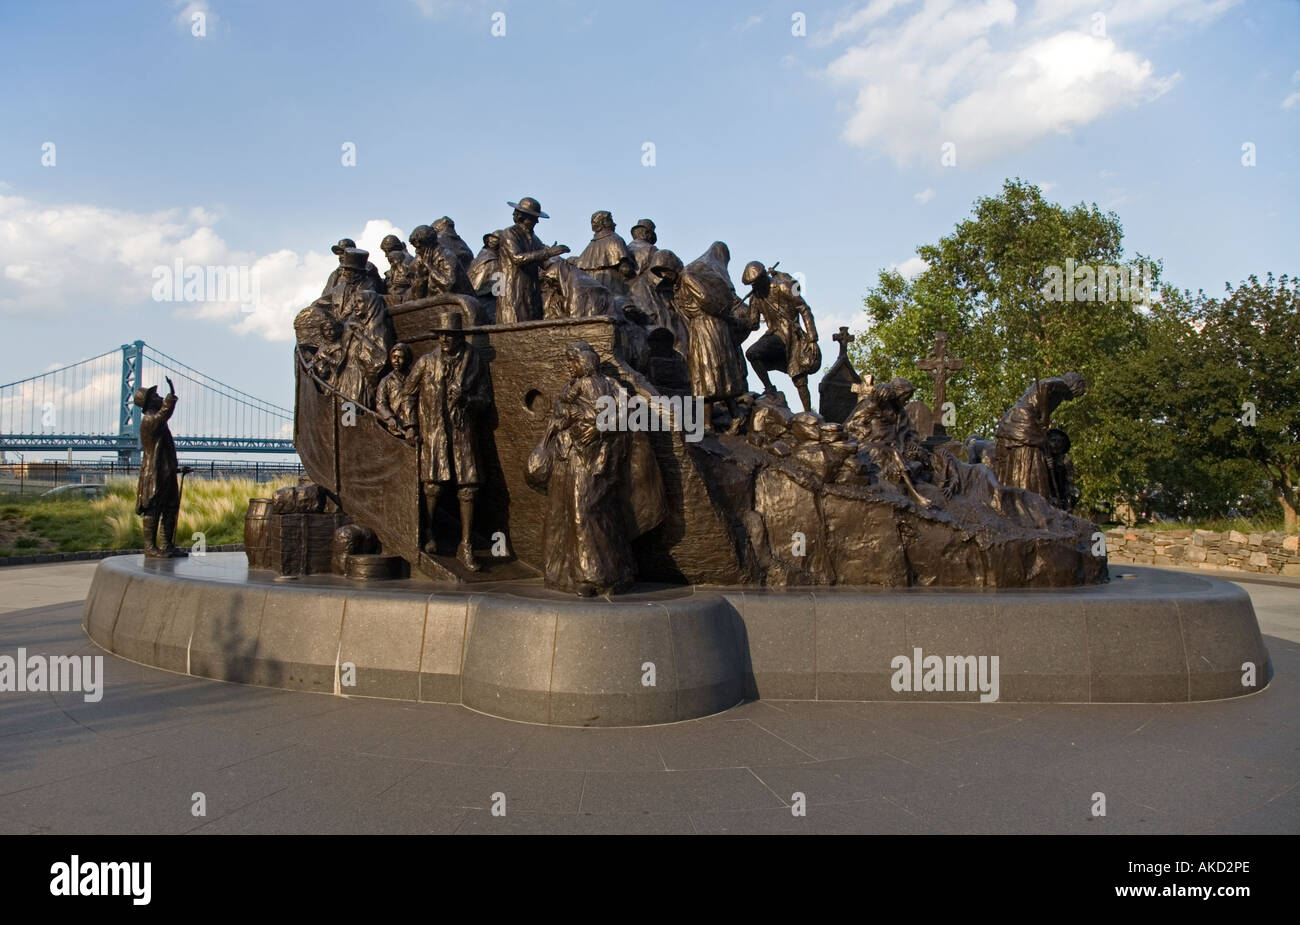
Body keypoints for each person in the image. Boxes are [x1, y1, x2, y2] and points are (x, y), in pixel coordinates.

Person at [527, 342, 637, 596]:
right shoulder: (570, 387)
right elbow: (560, 414)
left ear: (585, 362)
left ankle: (597, 576)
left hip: (594, 459)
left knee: (585, 510)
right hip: (566, 457)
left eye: (573, 362)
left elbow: (629, 414)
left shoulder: (611, 386)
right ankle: (564, 572)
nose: (570, 366)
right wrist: (562, 421)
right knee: (561, 513)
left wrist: (599, 427)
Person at [403, 313, 491, 571]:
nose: (444, 338)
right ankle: (428, 532)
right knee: (432, 485)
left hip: (463, 432)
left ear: (459, 337)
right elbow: (408, 394)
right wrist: (411, 425)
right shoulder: (426, 362)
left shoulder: (474, 361)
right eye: (440, 334)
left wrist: (467, 400)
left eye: (449, 335)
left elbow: (485, 398)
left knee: (469, 487)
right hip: (435, 432)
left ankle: (466, 546)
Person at [674, 242, 748, 430]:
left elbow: (706, 299)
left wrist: (723, 316)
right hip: (706, 327)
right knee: (711, 374)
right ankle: (730, 416)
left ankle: (710, 423)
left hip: (707, 327)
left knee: (706, 373)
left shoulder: (688, 276)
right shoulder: (686, 278)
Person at [743, 261, 821, 412]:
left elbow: (804, 309)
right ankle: (769, 388)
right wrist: (734, 319)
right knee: (752, 353)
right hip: (774, 336)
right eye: (751, 284)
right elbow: (753, 323)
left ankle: (808, 412)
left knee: (799, 378)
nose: (754, 287)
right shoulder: (756, 297)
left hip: (791, 336)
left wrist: (812, 338)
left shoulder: (784, 286)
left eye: (756, 283)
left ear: (764, 276)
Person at [994, 373, 1087, 499]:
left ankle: (1022, 493)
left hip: (1015, 420)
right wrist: (1045, 416)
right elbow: (1045, 386)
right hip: (1023, 421)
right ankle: (1029, 495)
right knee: (1032, 457)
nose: (1070, 399)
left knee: (1029, 457)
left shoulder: (1056, 390)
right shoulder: (1060, 384)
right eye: (1074, 395)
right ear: (1074, 387)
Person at [322, 248, 395, 408]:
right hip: (345, 377)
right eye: (343, 269)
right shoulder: (339, 292)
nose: (344, 272)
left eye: (348, 270)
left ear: (356, 272)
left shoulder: (369, 292)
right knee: (346, 417)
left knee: (352, 415)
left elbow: (378, 359)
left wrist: (359, 336)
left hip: (358, 378)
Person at [497, 197, 569, 323]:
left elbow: (544, 262)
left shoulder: (535, 239)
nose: (537, 222)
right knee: (515, 322)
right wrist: (548, 252)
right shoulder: (509, 233)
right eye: (534, 218)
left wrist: (562, 262)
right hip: (513, 288)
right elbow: (517, 258)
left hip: (531, 290)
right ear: (521, 217)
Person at [135, 377, 184, 557]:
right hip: (154, 474)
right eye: (155, 395)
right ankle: (150, 547)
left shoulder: (158, 422)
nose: (159, 397)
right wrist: (171, 396)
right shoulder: (150, 420)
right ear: (149, 401)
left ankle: (167, 545)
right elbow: (164, 413)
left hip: (166, 473)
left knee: (171, 508)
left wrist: (175, 469)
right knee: (153, 508)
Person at [575, 210, 635, 299]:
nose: (614, 224)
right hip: (612, 290)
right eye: (611, 220)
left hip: (592, 295)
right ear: (603, 223)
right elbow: (625, 269)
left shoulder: (590, 246)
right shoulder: (615, 239)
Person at [407, 224, 473, 299]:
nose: (417, 251)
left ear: (429, 244)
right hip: (437, 303)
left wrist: (430, 267)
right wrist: (421, 277)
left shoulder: (447, 256)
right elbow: (417, 297)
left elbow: (448, 285)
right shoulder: (422, 261)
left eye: (419, 247)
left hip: (458, 302)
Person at [375, 343, 416, 440]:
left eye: (400, 357)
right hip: (395, 427)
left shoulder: (414, 377)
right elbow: (381, 403)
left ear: (407, 359)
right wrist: (389, 418)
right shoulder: (386, 381)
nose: (396, 361)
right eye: (394, 357)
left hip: (412, 426)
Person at [380, 234, 418, 305]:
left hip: (403, 297)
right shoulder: (401, 258)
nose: (385, 255)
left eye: (386, 251)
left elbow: (414, 280)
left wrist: (404, 281)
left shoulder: (405, 260)